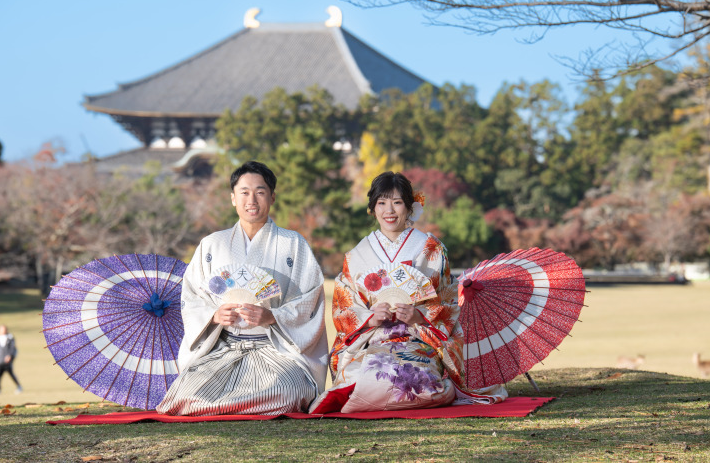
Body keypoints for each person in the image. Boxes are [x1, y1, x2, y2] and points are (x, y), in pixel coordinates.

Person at [310, 171, 507, 413]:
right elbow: (344, 309)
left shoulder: (430, 249)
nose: (389, 211)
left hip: (418, 339)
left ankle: (366, 398)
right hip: (373, 340)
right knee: (362, 374)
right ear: (372, 209)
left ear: (409, 207)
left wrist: (419, 316)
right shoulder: (357, 255)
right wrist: (369, 318)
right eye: (381, 203)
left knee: (417, 379)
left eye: (397, 202)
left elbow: (448, 300)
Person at [156, 161, 328, 416]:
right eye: (244, 192)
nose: (252, 200)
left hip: (276, 352)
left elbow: (310, 300)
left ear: (272, 197)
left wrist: (272, 317)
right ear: (233, 198)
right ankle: (242, 404)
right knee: (184, 395)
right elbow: (191, 298)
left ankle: (229, 406)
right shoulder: (212, 245)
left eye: (260, 192)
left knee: (287, 392)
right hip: (224, 348)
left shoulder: (293, 244)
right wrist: (213, 316)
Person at [0, 325, 22, 395]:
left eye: (4, 329)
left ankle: (19, 386)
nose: (3, 331)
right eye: (1, 329)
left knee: (10, 373)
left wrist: (10, 356)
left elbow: (12, 348)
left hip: (7, 361)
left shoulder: (10, 338)